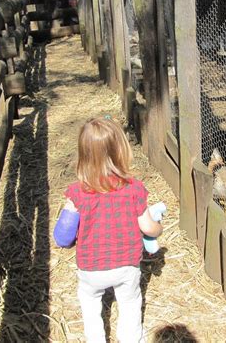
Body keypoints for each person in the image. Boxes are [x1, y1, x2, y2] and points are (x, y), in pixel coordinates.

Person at [61, 116, 162, 343]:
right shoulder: (134, 189)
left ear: (83, 154)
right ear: (121, 151)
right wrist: (159, 229)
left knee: (90, 304)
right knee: (129, 303)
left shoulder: (77, 193)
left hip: (90, 268)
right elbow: (148, 227)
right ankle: (131, 338)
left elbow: (63, 236)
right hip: (126, 265)